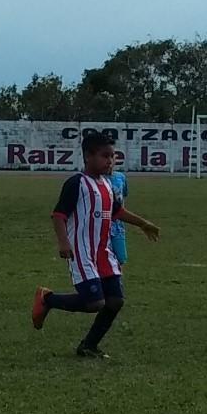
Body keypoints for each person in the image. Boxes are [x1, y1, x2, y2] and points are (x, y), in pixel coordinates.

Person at [31, 132, 161, 359]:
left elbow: (117, 211)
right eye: (105, 156)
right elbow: (58, 215)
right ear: (88, 156)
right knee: (94, 303)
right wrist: (63, 242)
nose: (110, 161)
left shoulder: (108, 185)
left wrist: (143, 223)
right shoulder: (76, 183)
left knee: (115, 301)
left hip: (104, 252)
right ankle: (47, 299)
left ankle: (89, 346)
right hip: (82, 252)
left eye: (113, 156)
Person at [107, 164, 129, 266]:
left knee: (120, 258)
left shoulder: (121, 177)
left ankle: (117, 280)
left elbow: (123, 196)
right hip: (103, 223)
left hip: (118, 225)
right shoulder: (98, 179)